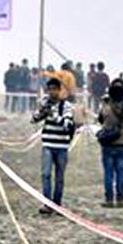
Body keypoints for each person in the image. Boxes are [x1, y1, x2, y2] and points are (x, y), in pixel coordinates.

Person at [32, 78, 75, 215]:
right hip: (48, 144)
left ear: (59, 90)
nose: (52, 92)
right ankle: (47, 203)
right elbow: (33, 120)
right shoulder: (44, 102)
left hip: (62, 145)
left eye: (54, 89)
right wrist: (41, 112)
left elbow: (67, 124)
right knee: (45, 174)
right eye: (49, 89)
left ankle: (57, 204)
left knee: (59, 177)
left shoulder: (66, 106)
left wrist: (54, 115)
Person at [98, 79, 123, 208]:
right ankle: (120, 198)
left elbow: (100, 120)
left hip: (108, 144)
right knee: (120, 172)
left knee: (108, 172)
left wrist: (105, 103)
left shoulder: (106, 109)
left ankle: (109, 199)